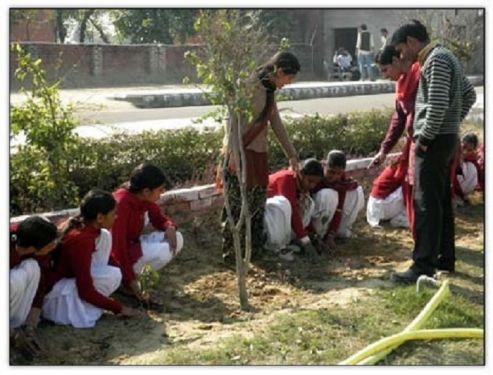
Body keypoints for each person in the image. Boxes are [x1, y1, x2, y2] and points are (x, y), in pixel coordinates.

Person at [389, 20, 477, 283]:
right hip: (445, 138)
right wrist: (453, 122)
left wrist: (426, 138)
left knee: (425, 204)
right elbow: (469, 94)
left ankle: (422, 266)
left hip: (435, 140)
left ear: (412, 42)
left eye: (401, 50)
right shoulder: (444, 56)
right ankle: (444, 258)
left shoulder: (435, 60)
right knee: (439, 201)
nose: (401, 56)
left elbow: (437, 104)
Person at [220, 51, 300, 263]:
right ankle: (233, 255)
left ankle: (254, 253)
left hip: (258, 154)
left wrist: (291, 154)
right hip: (240, 154)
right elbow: (231, 121)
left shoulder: (270, 90)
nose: (288, 83)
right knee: (237, 207)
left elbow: (276, 123)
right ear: (280, 71)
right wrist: (233, 154)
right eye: (289, 79)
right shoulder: (248, 85)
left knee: (256, 206)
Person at [42, 189, 139, 328]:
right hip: (56, 297)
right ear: (100, 218)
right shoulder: (82, 240)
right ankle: (79, 309)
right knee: (113, 275)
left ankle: (92, 302)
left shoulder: (91, 231)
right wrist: (119, 308)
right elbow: (85, 290)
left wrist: (130, 280)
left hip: (68, 282)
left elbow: (110, 259)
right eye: (113, 214)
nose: (116, 217)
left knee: (107, 245)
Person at [110, 163, 184, 304]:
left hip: (132, 245)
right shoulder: (122, 205)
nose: (161, 194)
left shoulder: (143, 199)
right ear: (146, 191)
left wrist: (170, 227)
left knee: (177, 238)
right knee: (163, 250)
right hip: (116, 258)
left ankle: (131, 279)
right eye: (160, 190)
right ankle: (125, 282)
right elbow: (117, 249)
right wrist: (130, 281)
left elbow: (158, 218)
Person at [367, 45, 421, 233]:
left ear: (396, 61)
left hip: (430, 142)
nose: (384, 75)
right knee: (411, 184)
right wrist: (384, 150)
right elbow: (398, 119)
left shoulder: (420, 75)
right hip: (415, 144)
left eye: (385, 70)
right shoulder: (400, 85)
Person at [10, 216, 58, 356]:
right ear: (32, 248)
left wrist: (31, 326)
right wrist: (12, 335)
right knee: (15, 280)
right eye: (49, 246)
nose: (53, 246)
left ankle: (17, 325)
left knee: (32, 267)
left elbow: (39, 288)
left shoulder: (33, 252)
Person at [264, 158, 324, 261]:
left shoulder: (301, 186)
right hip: (266, 217)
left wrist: (313, 234)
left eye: (315, 183)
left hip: (280, 219)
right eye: (310, 181)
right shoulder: (287, 179)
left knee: (308, 202)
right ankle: (276, 247)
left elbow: (299, 215)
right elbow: (292, 211)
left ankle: (291, 242)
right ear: (300, 174)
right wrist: (306, 241)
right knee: (284, 203)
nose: (312, 185)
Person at [310, 150, 365, 251]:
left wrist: (331, 235)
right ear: (325, 165)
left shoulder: (340, 182)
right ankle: (317, 235)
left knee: (357, 191)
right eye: (331, 172)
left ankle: (338, 231)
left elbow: (339, 209)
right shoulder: (314, 175)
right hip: (310, 216)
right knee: (326, 194)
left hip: (327, 216)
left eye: (339, 173)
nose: (334, 176)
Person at [452, 133, 484, 205]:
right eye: (464, 147)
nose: (465, 151)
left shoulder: (473, 161)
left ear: (474, 149)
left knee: (471, 168)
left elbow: (480, 177)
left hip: (465, 188)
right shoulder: (455, 154)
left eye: (469, 149)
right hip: (455, 187)